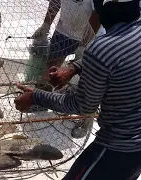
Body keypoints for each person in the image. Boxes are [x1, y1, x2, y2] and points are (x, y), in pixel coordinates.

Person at [15, 0, 141, 179]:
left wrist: (35, 96)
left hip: (117, 148)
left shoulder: (101, 50)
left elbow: (82, 106)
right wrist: (75, 67)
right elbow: (118, 56)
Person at [30, 0, 103, 139]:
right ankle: (41, 101)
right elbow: (55, 2)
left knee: (87, 79)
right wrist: (46, 25)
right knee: (49, 69)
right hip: (65, 29)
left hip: (90, 33)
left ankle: (85, 119)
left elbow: (97, 13)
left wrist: (84, 45)